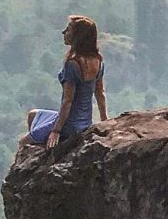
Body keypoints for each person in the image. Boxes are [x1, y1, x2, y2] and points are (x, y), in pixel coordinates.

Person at [19, 15, 108, 150]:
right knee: (33, 115)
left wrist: (56, 131)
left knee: (23, 142)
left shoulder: (73, 64)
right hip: (84, 123)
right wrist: (105, 122)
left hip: (68, 125)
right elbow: (100, 94)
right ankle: (40, 139)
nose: (64, 33)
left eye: (69, 30)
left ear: (78, 36)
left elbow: (68, 101)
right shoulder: (98, 61)